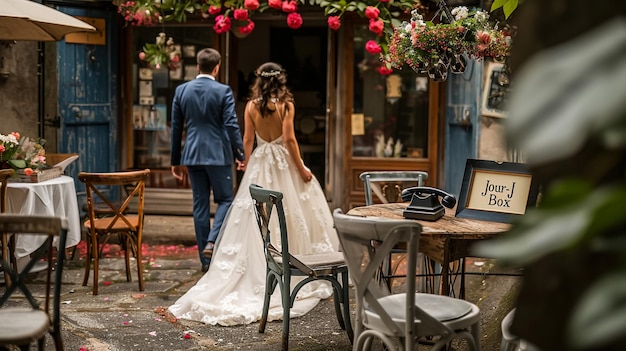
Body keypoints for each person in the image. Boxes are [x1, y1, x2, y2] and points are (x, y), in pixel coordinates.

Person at [168, 62, 340, 326]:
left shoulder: (250, 106)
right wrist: (301, 167)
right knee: (293, 212)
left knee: (255, 214)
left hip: (260, 161)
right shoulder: (286, 105)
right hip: (283, 161)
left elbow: (248, 139)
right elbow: (290, 140)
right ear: (280, 80)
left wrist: (245, 162)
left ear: (258, 81)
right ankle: (295, 263)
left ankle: (264, 262)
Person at [170, 48, 245, 273]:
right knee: (225, 200)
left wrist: (175, 160)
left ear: (197, 66)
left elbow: (176, 128)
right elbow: (231, 124)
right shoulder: (223, 91)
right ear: (216, 67)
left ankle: (205, 260)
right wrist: (240, 153)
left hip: (192, 154)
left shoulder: (182, 90)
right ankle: (212, 242)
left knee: (199, 204)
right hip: (218, 154)